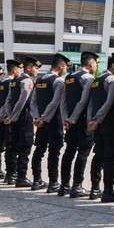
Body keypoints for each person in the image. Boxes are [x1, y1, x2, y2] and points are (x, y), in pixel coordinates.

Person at [87, 53, 114, 203]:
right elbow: (109, 102)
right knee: (110, 159)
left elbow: (91, 103)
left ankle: (95, 188)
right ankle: (108, 191)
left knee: (98, 156)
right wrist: (97, 119)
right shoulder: (112, 79)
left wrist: (92, 119)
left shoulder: (97, 79)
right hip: (109, 124)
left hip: (98, 125)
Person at [60, 51, 98, 198]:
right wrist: (73, 119)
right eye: (95, 62)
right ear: (90, 63)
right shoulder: (88, 78)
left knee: (69, 152)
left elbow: (63, 101)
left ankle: (64, 186)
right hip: (81, 121)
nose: (96, 65)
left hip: (70, 121)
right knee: (83, 153)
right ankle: (77, 186)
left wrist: (66, 118)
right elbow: (83, 101)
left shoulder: (68, 77)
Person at [30, 53, 70, 192]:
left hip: (41, 123)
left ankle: (36, 180)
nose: (66, 69)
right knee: (54, 152)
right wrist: (44, 118)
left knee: (39, 150)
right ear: (61, 66)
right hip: (53, 122)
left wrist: (36, 118)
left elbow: (33, 101)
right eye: (65, 67)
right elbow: (55, 103)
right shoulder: (58, 81)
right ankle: (53, 183)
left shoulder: (39, 79)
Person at [4, 56, 39, 188]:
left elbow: (8, 100)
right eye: (35, 68)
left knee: (13, 147)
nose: (37, 71)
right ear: (29, 68)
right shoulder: (27, 80)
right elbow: (22, 100)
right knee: (24, 147)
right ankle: (21, 177)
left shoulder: (14, 80)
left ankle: (11, 175)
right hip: (23, 118)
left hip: (14, 119)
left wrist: (9, 115)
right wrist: (14, 116)